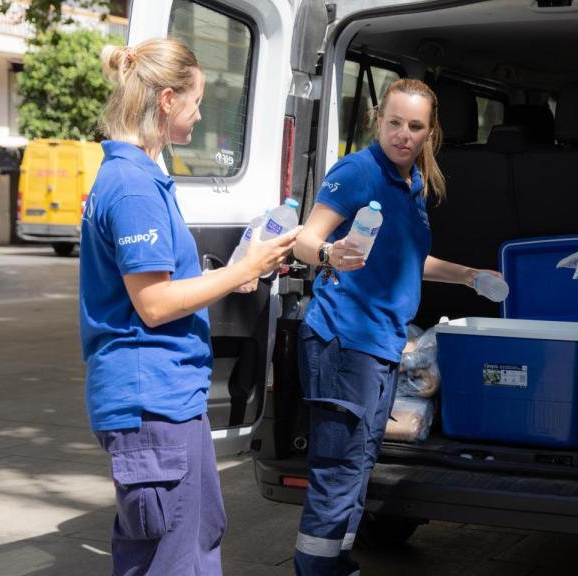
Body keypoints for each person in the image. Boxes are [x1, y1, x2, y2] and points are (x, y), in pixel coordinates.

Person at [80, 39, 299, 575]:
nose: (200, 116)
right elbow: (153, 304)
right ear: (167, 100)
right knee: (172, 560)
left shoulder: (141, 177)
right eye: (197, 102)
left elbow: (156, 285)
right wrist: (240, 270)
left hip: (165, 399)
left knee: (182, 547)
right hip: (152, 401)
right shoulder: (133, 187)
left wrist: (219, 280)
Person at [291, 78, 500, 576]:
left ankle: (337, 563)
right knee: (338, 471)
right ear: (376, 121)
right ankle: (315, 569)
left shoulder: (413, 184)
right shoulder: (358, 172)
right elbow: (305, 240)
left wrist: (470, 276)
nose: (403, 135)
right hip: (344, 340)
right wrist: (328, 253)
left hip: (382, 342)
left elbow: (411, 257)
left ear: (430, 133)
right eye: (394, 123)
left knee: (359, 466)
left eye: (415, 126)